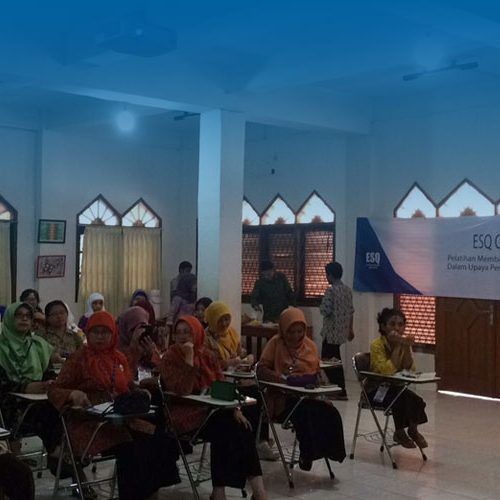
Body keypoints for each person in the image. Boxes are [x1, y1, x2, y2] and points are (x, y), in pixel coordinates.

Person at [48, 311, 180, 500]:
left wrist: (140, 391)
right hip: (90, 423)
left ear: (113, 334)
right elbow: (54, 390)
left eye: (105, 332)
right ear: (88, 333)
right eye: (95, 332)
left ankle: (151, 493)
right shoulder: (78, 359)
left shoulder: (118, 358)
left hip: (121, 419)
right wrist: (72, 394)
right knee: (132, 450)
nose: (100, 337)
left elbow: (127, 384)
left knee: (159, 441)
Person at [160, 315, 267, 500]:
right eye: (178, 333)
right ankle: (220, 491)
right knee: (224, 427)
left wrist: (235, 409)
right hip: (187, 413)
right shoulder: (170, 357)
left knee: (241, 426)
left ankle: (258, 491)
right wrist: (189, 360)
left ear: (197, 334)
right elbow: (183, 390)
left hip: (214, 412)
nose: (182, 336)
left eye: (188, 332)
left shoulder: (208, 355)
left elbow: (222, 385)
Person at [257, 307, 346, 471]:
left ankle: (333, 452)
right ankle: (307, 453)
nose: (296, 336)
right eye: (291, 332)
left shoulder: (310, 346)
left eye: (299, 331)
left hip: (308, 394)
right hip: (282, 397)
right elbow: (261, 370)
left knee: (330, 412)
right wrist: (283, 379)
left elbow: (317, 372)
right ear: (283, 330)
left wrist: (321, 386)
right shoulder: (275, 343)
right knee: (305, 412)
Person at [204, 301, 277, 461]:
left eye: (227, 319)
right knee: (247, 396)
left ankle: (260, 438)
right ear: (212, 320)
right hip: (218, 384)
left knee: (257, 393)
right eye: (220, 320)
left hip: (235, 378)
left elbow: (240, 353)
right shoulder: (206, 339)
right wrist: (229, 363)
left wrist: (247, 358)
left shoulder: (231, 334)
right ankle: (250, 440)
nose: (225, 324)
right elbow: (209, 364)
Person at [0, 302, 63, 474]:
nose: (24, 319)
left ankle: (61, 454)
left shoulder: (38, 345)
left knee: (60, 405)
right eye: (19, 315)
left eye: (28, 316)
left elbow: (48, 373)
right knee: (44, 410)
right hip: (8, 402)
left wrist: (49, 383)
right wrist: (25, 387)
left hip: (37, 398)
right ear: (9, 319)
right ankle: (56, 453)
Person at [369, 307, 428, 449]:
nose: (397, 328)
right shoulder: (377, 345)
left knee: (417, 401)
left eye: (400, 324)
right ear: (383, 326)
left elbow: (410, 369)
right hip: (376, 389)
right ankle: (399, 432)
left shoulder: (403, 343)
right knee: (399, 402)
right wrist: (397, 347)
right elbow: (387, 371)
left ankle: (413, 430)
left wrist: (406, 346)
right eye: (392, 324)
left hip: (396, 387)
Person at [319, 262, 355, 399]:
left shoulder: (331, 291)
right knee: (335, 360)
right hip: (341, 332)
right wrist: (350, 329)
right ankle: (339, 390)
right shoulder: (347, 290)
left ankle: (338, 390)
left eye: (326, 275)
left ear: (330, 275)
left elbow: (325, 310)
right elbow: (351, 311)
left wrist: (321, 305)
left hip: (330, 333)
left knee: (329, 363)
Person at [117, 306, 162, 376]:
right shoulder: (116, 350)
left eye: (143, 327)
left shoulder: (150, 345)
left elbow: (163, 371)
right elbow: (123, 375)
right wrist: (133, 351)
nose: (138, 333)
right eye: (134, 329)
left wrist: (152, 355)